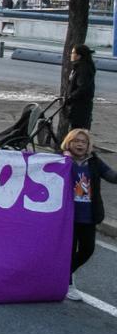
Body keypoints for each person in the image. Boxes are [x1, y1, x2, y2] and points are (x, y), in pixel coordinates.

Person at [62, 129, 117, 301]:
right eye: (76, 141)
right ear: (69, 143)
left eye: (83, 142)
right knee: (69, 251)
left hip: (89, 216)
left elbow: (111, 176)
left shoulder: (94, 162)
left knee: (87, 249)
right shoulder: (61, 160)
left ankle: (66, 272)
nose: (79, 144)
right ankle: (68, 283)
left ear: (88, 146)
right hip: (67, 217)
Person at [66, 45, 96, 131]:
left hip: (80, 107)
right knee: (76, 129)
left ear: (79, 56)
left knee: (77, 130)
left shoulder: (83, 69)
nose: (71, 55)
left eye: (73, 53)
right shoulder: (79, 67)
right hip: (79, 105)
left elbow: (83, 87)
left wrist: (71, 97)